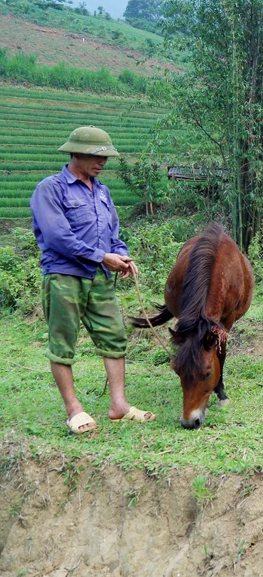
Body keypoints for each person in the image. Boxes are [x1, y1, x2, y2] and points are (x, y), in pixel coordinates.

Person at [30, 126, 156, 434]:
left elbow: (113, 235)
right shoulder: (51, 189)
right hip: (64, 276)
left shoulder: (101, 191)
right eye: (95, 157)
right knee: (63, 342)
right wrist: (102, 257)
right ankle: (74, 410)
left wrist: (122, 256)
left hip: (98, 278)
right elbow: (59, 237)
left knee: (114, 336)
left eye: (105, 158)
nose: (102, 164)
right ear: (75, 153)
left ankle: (119, 406)